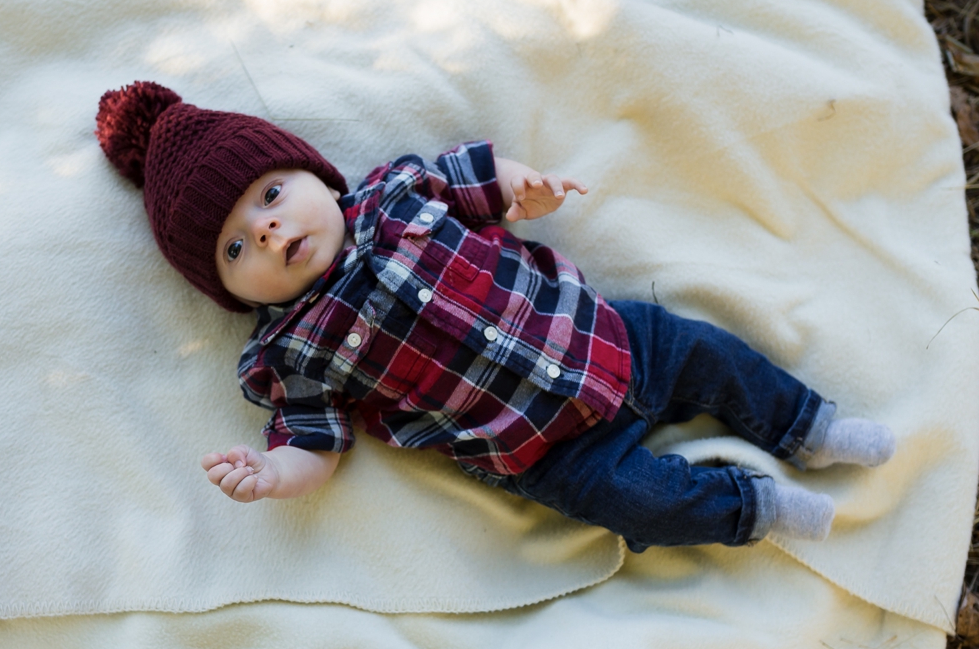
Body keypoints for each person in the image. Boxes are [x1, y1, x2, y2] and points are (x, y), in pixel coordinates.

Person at [95, 80, 893, 552]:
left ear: (315, 174)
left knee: (713, 354)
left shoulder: (397, 195)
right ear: (231, 296)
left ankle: (809, 427)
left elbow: (483, 182)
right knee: (639, 502)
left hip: (608, 339)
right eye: (237, 248)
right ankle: (754, 507)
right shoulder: (297, 353)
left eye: (270, 195)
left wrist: (524, 189)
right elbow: (313, 447)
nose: (268, 229)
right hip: (546, 452)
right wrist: (274, 475)